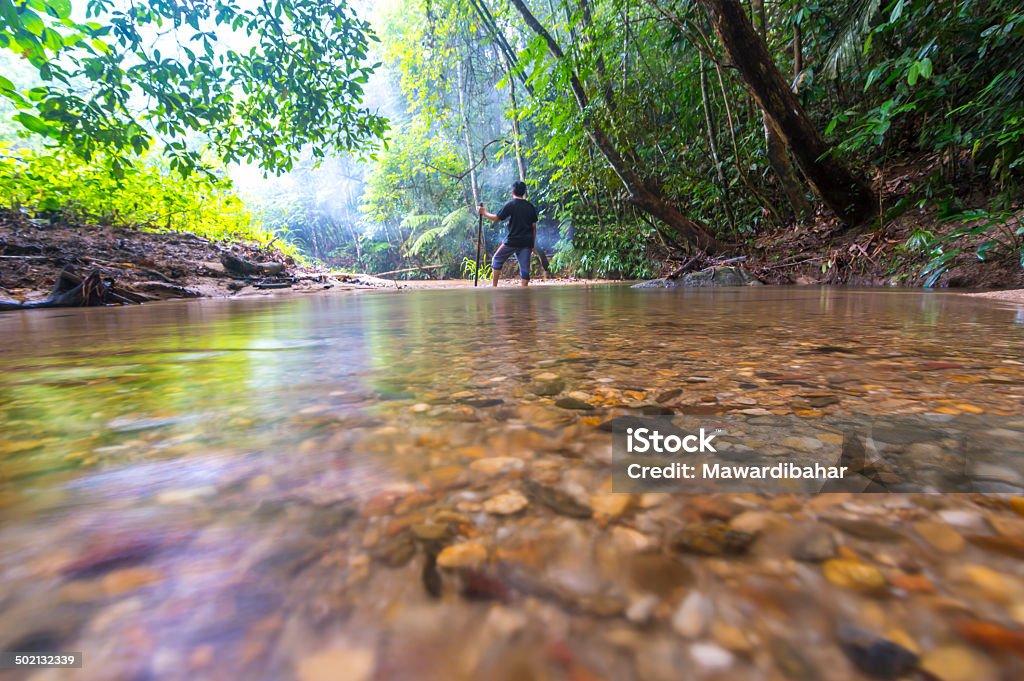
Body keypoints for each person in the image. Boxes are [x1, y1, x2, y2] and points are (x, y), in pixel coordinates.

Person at [478, 181, 538, 287]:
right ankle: (524, 296)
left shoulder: (510, 205)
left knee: (496, 259)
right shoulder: (531, 207)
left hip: (512, 241)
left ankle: (494, 287)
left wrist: (484, 212)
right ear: (524, 192)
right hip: (527, 242)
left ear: (512, 191)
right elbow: (534, 228)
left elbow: (496, 218)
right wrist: (532, 245)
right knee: (525, 271)